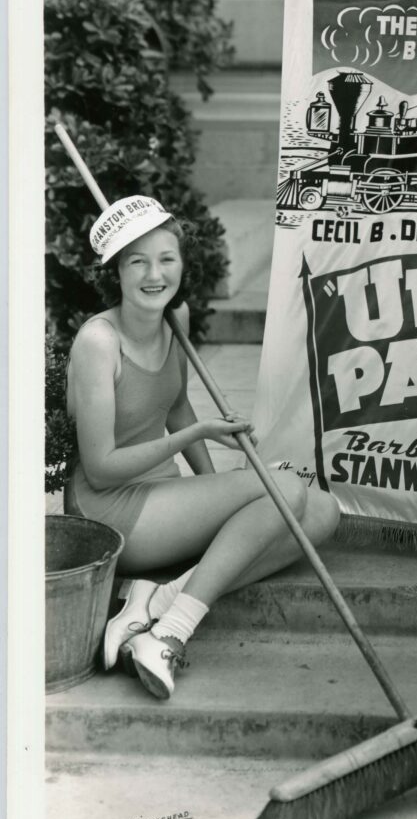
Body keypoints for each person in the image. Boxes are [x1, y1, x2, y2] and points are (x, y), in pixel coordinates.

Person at [64, 195, 340, 701]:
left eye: (166, 259)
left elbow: (176, 409)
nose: (154, 274)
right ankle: (169, 634)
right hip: (111, 511)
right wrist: (197, 438)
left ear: (184, 264)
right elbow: (101, 469)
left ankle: (156, 599)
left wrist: (214, 482)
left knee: (321, 512)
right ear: (116, 272)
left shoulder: (177, 319)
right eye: (137, 261)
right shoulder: (98, 342)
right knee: (283, 488)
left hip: (159, 497)